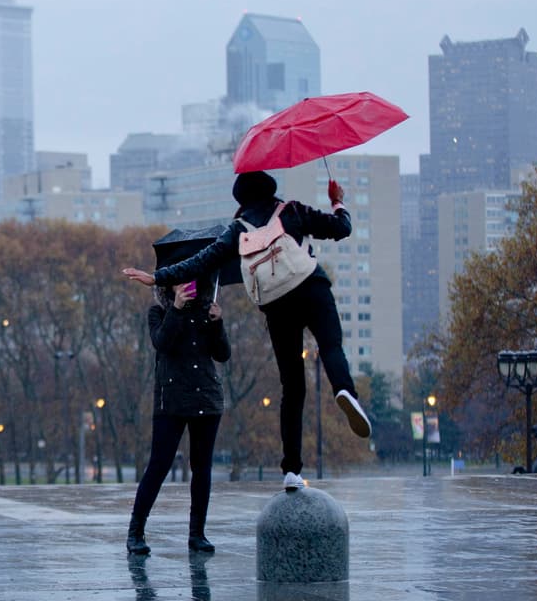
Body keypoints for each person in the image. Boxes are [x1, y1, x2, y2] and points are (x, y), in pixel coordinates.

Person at [122, 171, 371, 491]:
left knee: (292, 386)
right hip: (311, 288)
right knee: (331, 346)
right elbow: (341, 229)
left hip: (277, 304)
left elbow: (199, 263)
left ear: (241, 198)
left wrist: (157, 277)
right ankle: (344, 390)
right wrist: (337, 203)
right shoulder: (291, 210)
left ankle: (291, 470)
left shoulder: (237, 230)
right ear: (270, 188)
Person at [126, 278, 230, 555]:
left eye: (191, 279)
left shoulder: (207, 310)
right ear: (169, 285)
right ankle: (135, 531)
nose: (186, 284)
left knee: (202, 468)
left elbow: (222, 354)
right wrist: (177, 308)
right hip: (171, 400)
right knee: (159, 465)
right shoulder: (159, 312)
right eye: (180, 280)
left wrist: (217, 323)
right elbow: (162, 343)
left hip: (206, 398)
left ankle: (197, 534)